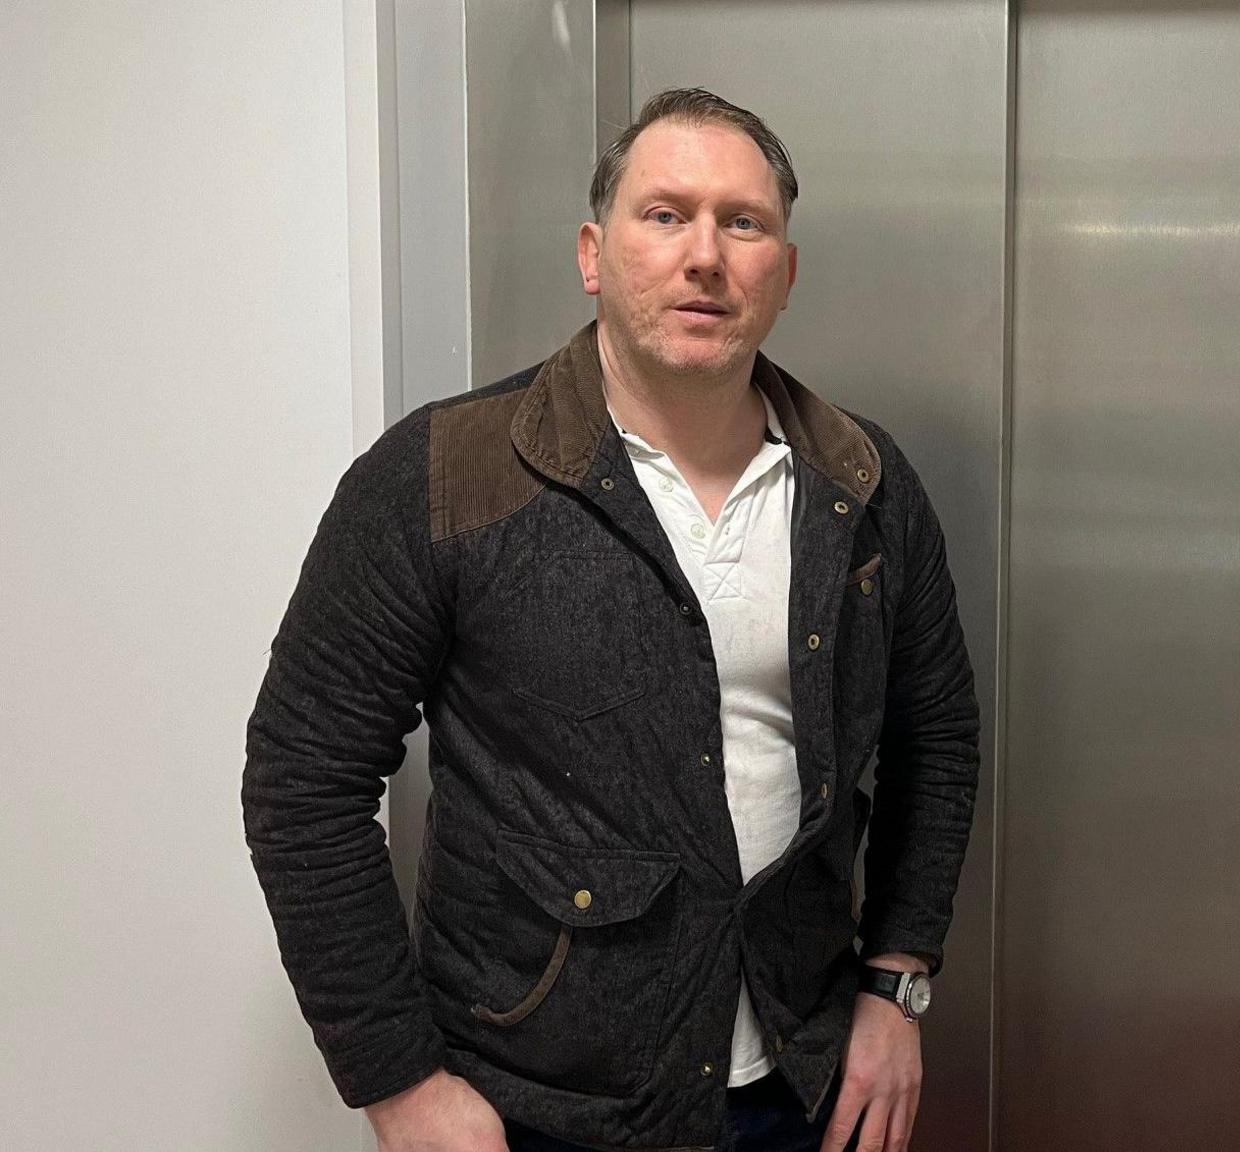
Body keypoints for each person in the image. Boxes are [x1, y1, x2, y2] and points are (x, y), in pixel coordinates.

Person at [243, 87, 980, 1152]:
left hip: (804, 1086)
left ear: (784, 272)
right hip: (535, 1106)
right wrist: (398, 1085)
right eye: (664, 214)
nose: (705, 256)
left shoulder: (860, 482)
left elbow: (936, 738)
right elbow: (301, 779)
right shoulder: (440, 476)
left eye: (743, 222)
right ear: (593, 253)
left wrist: (896, 983)